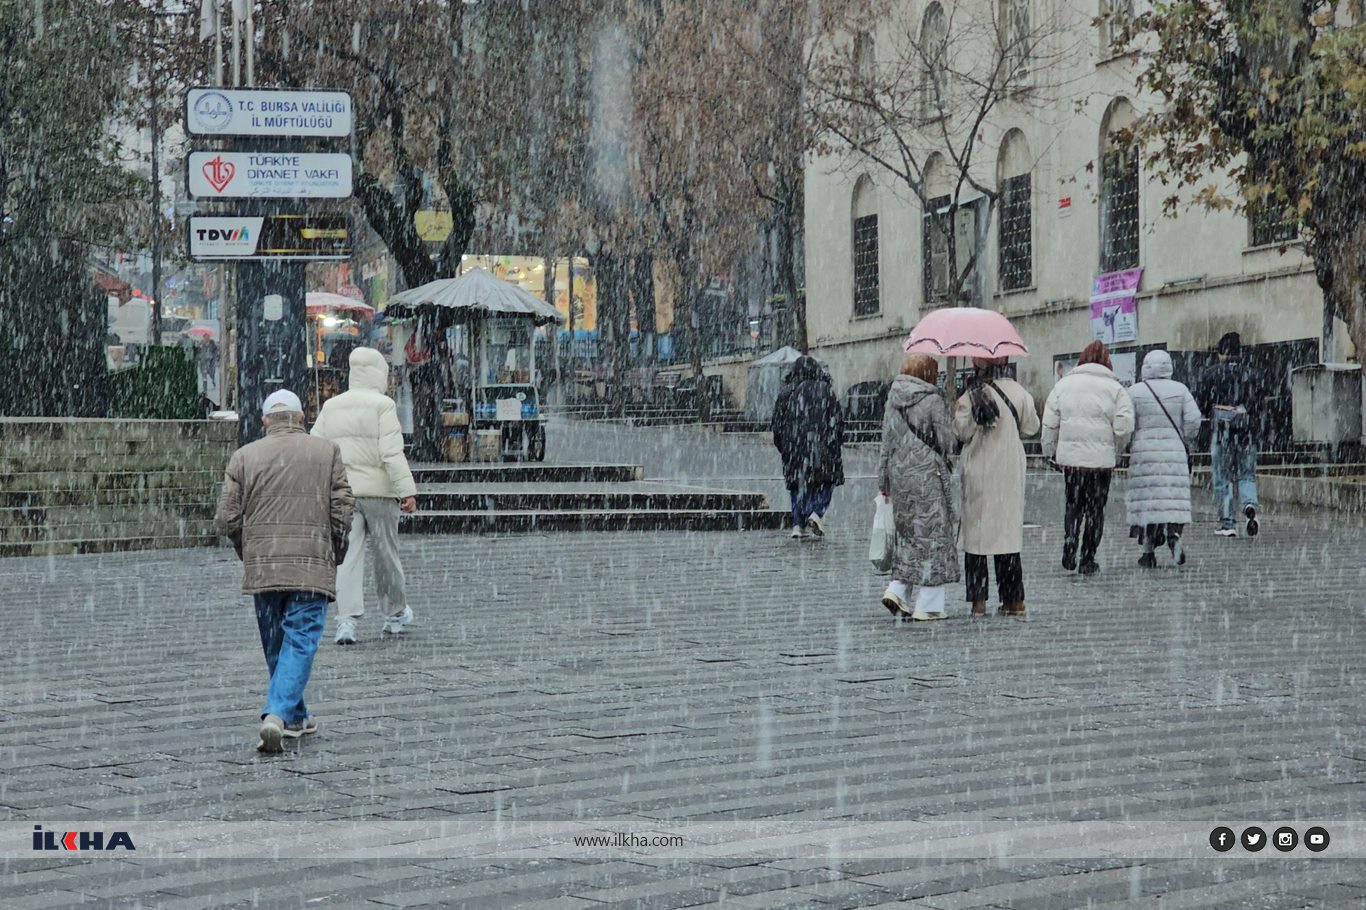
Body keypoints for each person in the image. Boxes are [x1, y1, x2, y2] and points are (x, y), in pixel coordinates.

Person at [214, 390, 354, 753]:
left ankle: (295, 717)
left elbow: (226, 518)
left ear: (265, 422)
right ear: (301, 417)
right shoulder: (327, 452)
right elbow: (342, 510)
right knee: (301, 640)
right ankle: (277, 713)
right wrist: (335, 549)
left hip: (265, 565)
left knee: (278, 642)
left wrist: (248, 549)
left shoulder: (244, 456)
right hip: (311, 562)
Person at [311, 347, 419, 645]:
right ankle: (394, 613)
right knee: (386, 554)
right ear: (379, 374)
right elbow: (391, 453)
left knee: (347, 556)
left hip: (344, 493)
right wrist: (406, 490)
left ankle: (346, 621)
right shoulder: (383, 405)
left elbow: (316, 448)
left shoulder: (332, 406)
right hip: (380, 493)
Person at [954, 357, 1040, 617]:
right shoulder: (1020, 392)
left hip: (980, 470)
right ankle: (1014, 600)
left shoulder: (971, 395)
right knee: (1006, 537)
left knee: (977, 540)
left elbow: (962, 432)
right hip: (1009, 472)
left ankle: (978, 602)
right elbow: (1032, 427)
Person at [1042, 341, 1134, 576]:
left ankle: (1070, 540)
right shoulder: (1116, 389)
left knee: (1073, 504)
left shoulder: (1064, 385)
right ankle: (1088, 558)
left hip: (1072, 461)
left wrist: (1049, 451)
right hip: (1101, 464)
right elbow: (1124, 427)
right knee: (1096, 510)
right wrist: (1116, 450)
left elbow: (1050, 422)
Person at [878, 354, 959, 620]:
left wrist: (884, 484)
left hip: (900, 479)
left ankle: (897, 589)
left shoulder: (893, 401)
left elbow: (886, 447)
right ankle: (929, 605)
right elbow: (949, 442)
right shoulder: (933, 400)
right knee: (934, 537)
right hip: (928, 479)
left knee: (910, 537)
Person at [1126, 350, 1203, 567]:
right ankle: (1173, 533)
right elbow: (1194, 419)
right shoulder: (1180, 390)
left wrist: (1130, 441)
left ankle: (1148, 551)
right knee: (1172, 500)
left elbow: (1126, 423)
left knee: (1148, 503)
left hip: (1144, 454)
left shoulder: (1134, 391)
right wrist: (1184, 436)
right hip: (1174, 452)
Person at [771, 355, 845, 539]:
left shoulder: (786, 392)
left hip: (794, 449)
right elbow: (837, 422)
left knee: (798, 486)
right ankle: (816, 512)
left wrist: (786, 448)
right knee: (825, 482)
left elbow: (777, 426)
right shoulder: (825, 391)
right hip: (822, 447)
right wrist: (833, 444)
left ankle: (798, 524)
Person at [1198, 332, 1261, 537]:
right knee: (1247, 475)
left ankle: (1227, 523)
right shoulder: (1251, 374)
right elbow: (1259, 405)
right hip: (1246, 434)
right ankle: (1249, 505)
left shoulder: (1211, 374)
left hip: (1222, 434)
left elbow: (1202, 403)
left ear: (1221, 353)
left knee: (1222, 478)